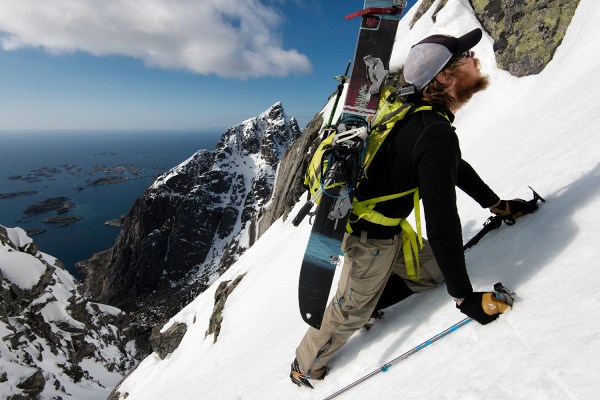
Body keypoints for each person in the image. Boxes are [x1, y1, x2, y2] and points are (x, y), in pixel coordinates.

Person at [290, 28, 536, 389]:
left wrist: (497, 205)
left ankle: (373, 296)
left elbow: (453, 167)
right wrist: (464, 298)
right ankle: (304, 365)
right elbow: (442, 224)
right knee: (349, 312)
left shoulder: (416, 112)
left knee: (435, 271)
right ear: (445, 78)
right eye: (465, 57)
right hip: (369, 239)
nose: (475, 58)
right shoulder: (432, 130)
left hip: (386, 230)